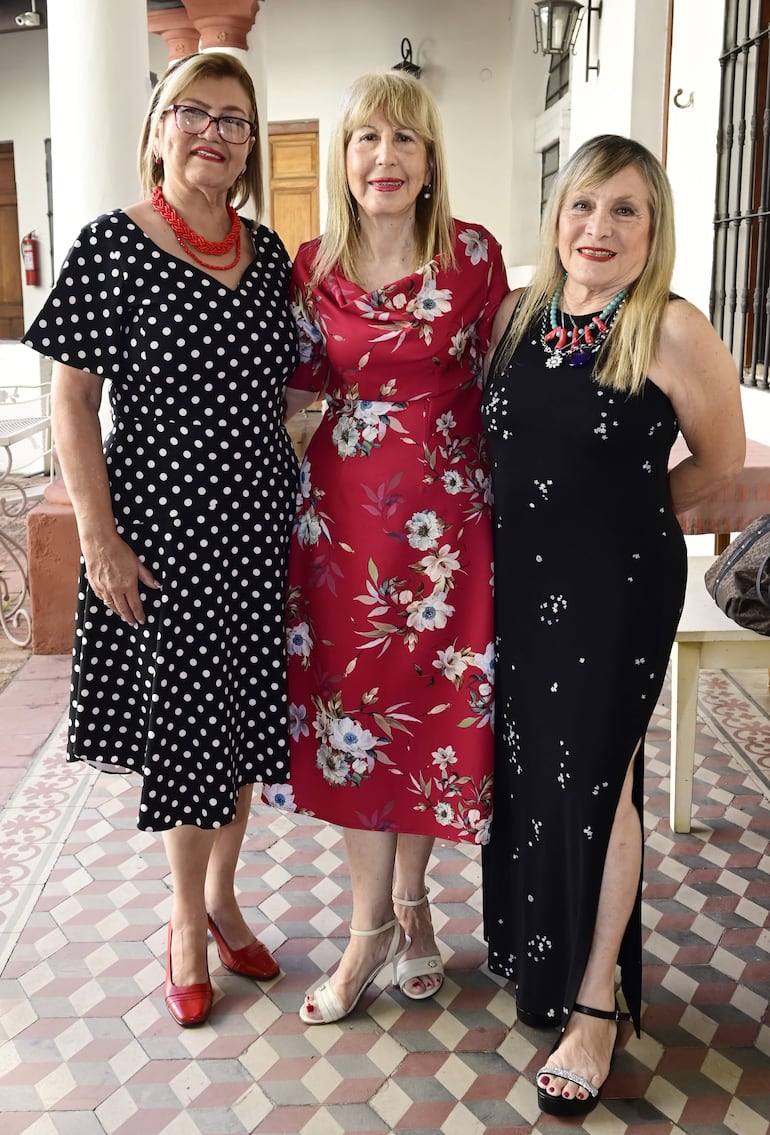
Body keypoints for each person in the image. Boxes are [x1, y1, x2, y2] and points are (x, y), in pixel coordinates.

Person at [22, 52, 300, 1028]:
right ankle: (185, 921)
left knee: (241, 727)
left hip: (258, 529)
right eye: (194, 113)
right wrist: (95, 537)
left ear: (250, 144)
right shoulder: (112, 244)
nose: (214, 133)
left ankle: (224, 894)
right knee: (188, 734)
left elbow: (297, 387)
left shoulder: (268, 255)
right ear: (157, 128)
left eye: (234, 118)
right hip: (161, 534)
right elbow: (71, 397)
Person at [480, 133, 746, 1116]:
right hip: (516, 590)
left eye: (623, 211)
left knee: (598, 782)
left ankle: (595, 1008)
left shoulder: (669, 327)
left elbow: (715, 470)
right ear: (556, 216)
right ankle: (536, 955)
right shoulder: (516, 316)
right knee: (530, 775)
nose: (597, 228)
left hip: (613, 592)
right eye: (582, 205)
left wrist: (612, 520)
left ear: (652, 229)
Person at [283, 70, 509, 1024]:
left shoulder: (473, 256)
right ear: (344, 157)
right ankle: (369, 928)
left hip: (449, 534)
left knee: (426, 725)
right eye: (367, 138)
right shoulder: (311, 264)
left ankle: (410, 912)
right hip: (342, 532)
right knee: (351, 726)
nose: (385, 157)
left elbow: (507, 385)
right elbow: (295, 398)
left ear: (429, 162)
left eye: (405, 140)